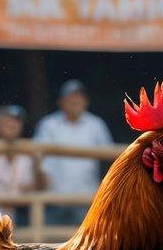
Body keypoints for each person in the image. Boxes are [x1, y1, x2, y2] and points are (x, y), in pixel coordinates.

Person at [32, 80, 114, 226]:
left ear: (86, 101)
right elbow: (36, 157)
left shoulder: (96, 125)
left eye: (79, 96)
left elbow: (111, 157)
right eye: (70, 96)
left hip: (86, 200)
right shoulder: (48, 125)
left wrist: (105, 188)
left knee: (86, 240)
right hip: (53, 201)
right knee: (48, 239)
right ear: (61, 102)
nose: (75, 100)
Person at [0, 104, 40, 221]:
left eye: (17, 120)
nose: (13, 124)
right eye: (7, 119)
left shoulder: (26, 156)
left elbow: (31, 188)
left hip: (18, 220)